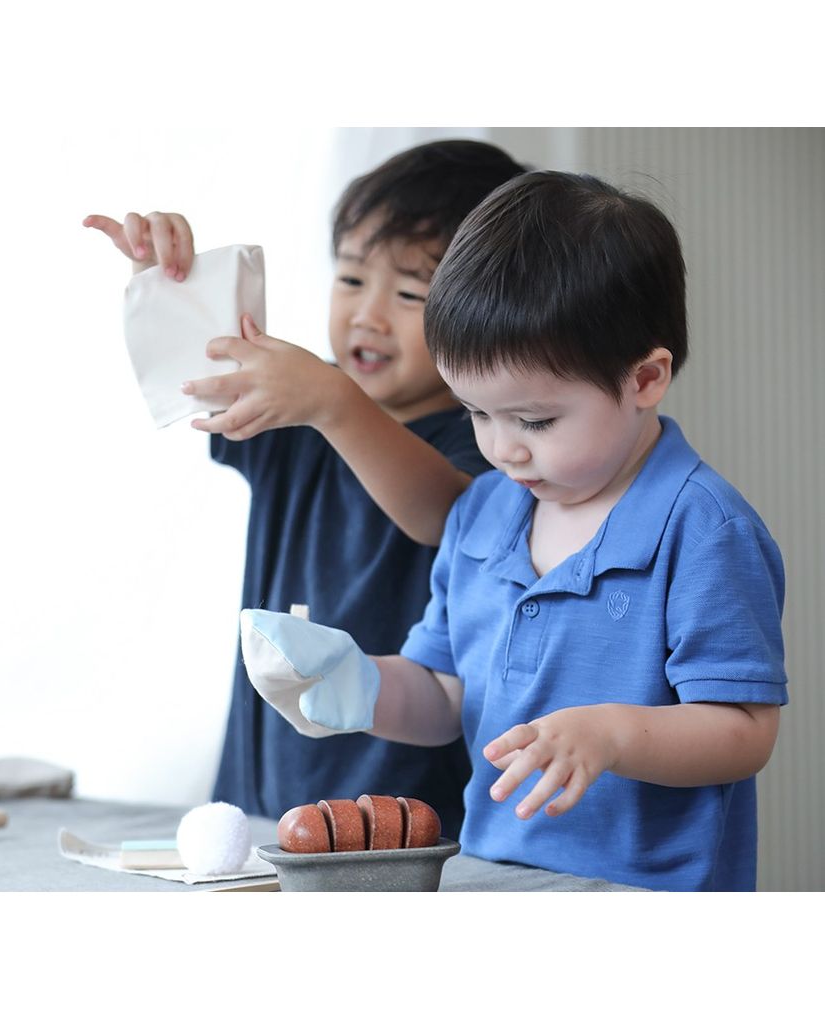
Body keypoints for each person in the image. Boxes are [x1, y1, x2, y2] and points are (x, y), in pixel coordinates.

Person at [241, 171, 788, 891]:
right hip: (494, 877)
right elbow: (443, 698)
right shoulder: (481, 516)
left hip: (649, 893)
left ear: (646, 379)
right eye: (475, 412)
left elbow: (744, 730)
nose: (504, 449)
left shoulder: (703, 530)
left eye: (534, 420)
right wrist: (358, 683)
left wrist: (612, 735)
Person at [85, 140, 527, 837]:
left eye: (410, 292)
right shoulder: (305, 405)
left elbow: (446, 513)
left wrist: (334, 402)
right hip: (259, 790)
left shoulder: (493, 441)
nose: (368, 315)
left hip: (397, 807)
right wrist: (167, 286)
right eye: (351, 279)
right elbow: (194, 370)